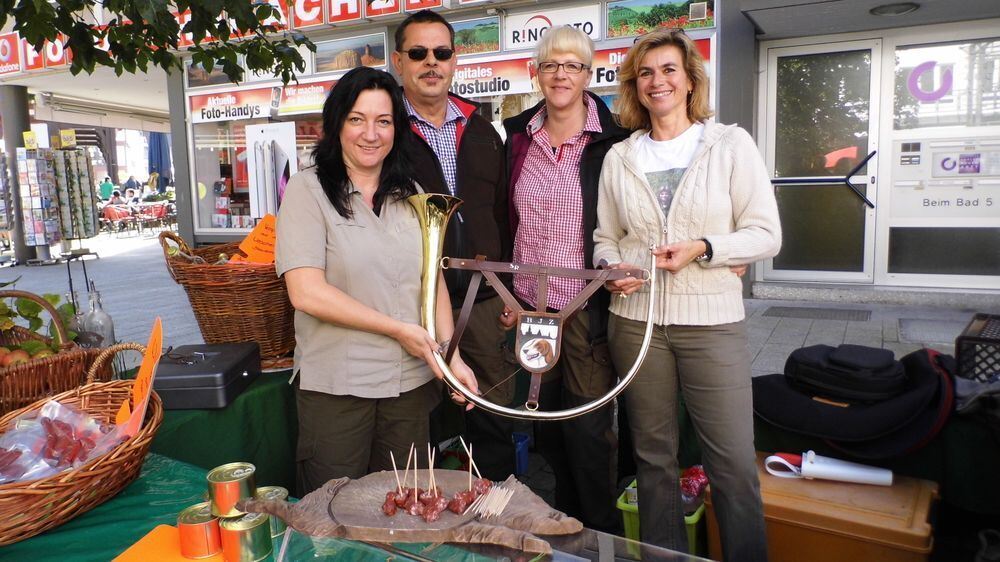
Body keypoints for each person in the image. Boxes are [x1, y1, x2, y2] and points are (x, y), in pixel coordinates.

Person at [593, 29, 781, 560]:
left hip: (711, 323)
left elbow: (766, 233)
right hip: (636, 322)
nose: (658, 81)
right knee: (653, 460)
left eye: (669, 69)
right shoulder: (621, 157)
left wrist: (705, 246)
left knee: (733, 464)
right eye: (646, 72)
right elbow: (605, 238)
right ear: (635, 84)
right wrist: (611, 268)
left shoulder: (728, 144)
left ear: (690, 78)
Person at [275, 66, 479, 495]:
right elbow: (306, 292)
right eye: (357, 119)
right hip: (338, 391)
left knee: (403, 510)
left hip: (410, 389)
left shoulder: (412, 192)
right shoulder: (307, 190)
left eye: (383, 121)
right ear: (337, 125)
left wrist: (451, 358)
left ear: (396, 129)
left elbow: (432, 282)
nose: (371, 134)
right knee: (330, 515)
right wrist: (397, 330)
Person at [500, 26, 629, 533]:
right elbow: (505, 217)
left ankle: (596, 531)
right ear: (536, 72)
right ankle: (562, 522)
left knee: (590, 426)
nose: (561, 75)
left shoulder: (612, 138)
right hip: (531, 306)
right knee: (545, 420)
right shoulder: (516, 138)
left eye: (573, 65)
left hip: (584, 306)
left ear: (587, 73)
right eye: (551, 64)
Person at [393, 10, 515, 480]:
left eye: (441, 53)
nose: (431, 63)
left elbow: (504, 216)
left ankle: (494, 519)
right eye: (418, 53)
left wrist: (511, 293)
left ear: (454, 60)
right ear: (399, 61)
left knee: (491, 419)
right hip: (408, 301)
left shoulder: (482, 130)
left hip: (481, 301)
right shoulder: (385, 130)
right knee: (414, 425)